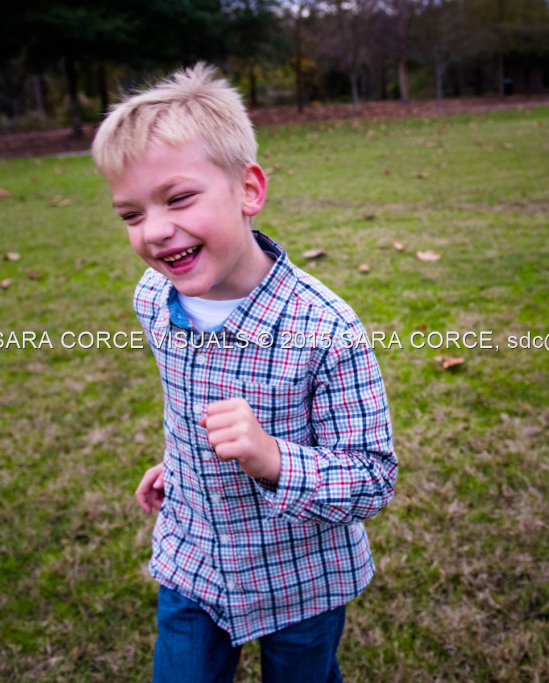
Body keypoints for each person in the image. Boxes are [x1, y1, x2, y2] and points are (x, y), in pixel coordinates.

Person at [90, 64, 397, 683]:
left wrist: (273, 458)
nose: (154, 231)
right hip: (192, 560)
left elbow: (373, 477)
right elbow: (188, 408)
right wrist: (178, 463)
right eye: (131, 214)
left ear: (248, 190)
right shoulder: (154, 298)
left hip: (300, 578)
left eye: (178, 198)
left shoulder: (327, 329)